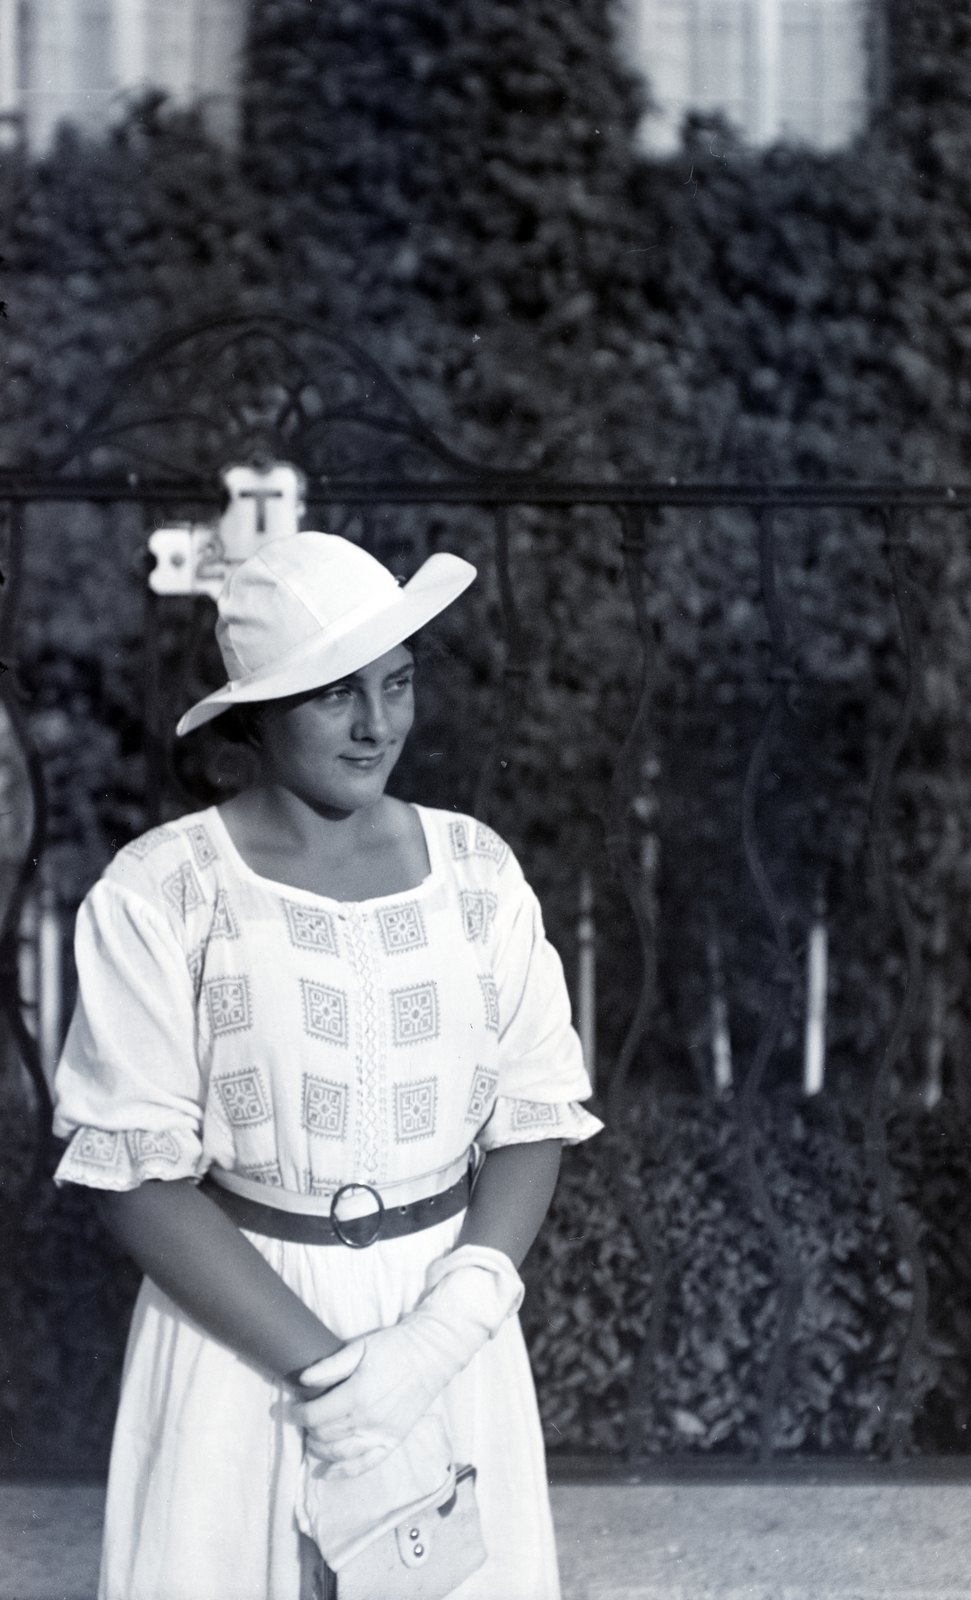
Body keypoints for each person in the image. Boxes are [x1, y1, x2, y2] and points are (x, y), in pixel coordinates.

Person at [51, 532, 601, 1600]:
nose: (378, 724)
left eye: (396, 684)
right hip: (240, 1342)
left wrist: (441, 1332)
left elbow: (534, 1112)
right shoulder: (160, 889)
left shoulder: (477, 871)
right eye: (334, 695)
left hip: (448, 1330)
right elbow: (134, 1176)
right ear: (255, 714)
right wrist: (338, 1377)